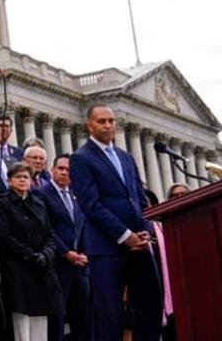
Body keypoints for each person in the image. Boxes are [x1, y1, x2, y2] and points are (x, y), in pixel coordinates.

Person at [70, 105, 161, 341]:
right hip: (106, 248)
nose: (108, 125)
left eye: (111, 121)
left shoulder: (125, 156)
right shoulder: (81, 158)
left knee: (150, 305)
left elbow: (139, 198)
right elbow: (91, 205)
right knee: (110, 315)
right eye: (102, 121)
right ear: (89, 125)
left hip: (139, 245)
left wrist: (145, 230)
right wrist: (125, 235)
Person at [0, 162, 62, 341]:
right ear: (9, 180)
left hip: (41, 267)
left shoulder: (39, 203)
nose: (23, 180)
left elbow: (49, 233)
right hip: (18, 267)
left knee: (41, 315)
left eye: (26, 177)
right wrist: (29, 254)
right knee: (21, 316)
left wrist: (45, 254)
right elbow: (4, 236)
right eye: (18, 177)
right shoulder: (3, 203)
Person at [36, 153, 90, 341]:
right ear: (52, 170)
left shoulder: (78, 195)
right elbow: (45, 228)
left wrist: (84, 253)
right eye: (61, 168)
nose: (64, 173)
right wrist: (66, 252)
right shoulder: (41, 193)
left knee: (83, 318)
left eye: (68, 170)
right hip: (58, 265)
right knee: (57, 320)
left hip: (81, 266)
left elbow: (83, 226)